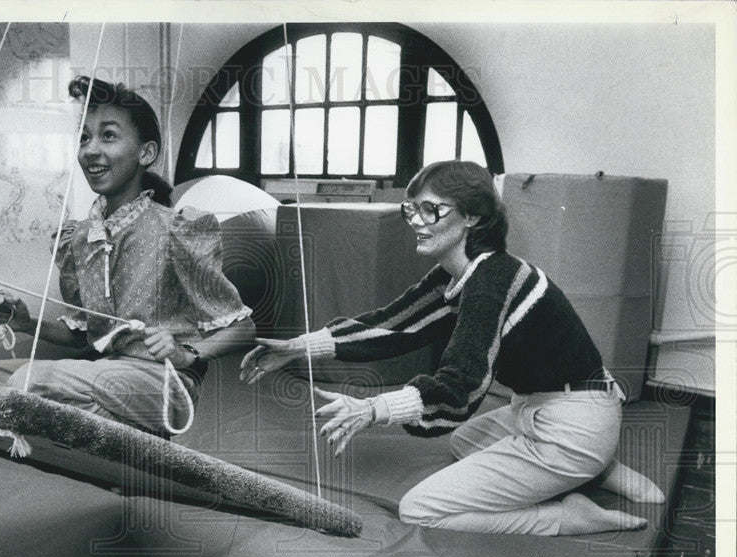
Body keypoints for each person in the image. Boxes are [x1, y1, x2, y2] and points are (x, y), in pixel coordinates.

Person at [240, 160, 664, 536]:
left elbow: (461, 384)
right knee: (463, 442)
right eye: (412, 209)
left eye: (432, 210)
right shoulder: (463, 274)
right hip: (544, 408)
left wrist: (371, 410)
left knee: (421, 509)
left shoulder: (492, 283)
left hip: (574, 424)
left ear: (473, 218)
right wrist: (297, 347)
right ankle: (596, 468)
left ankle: (566, 514)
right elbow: (392, 326)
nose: (417, 222)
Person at [0, 76, 254, 435]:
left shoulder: (177, 229)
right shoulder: (79, 238)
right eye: (84, 137)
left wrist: (185, 353)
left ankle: (131, 440)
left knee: (29, 383)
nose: (90, 150)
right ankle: (99, 437)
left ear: (146, 153)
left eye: (108, 136)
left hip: (165, 385)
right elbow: (84, 336)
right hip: (104, 375)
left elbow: (244, 329)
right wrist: (26, 323)